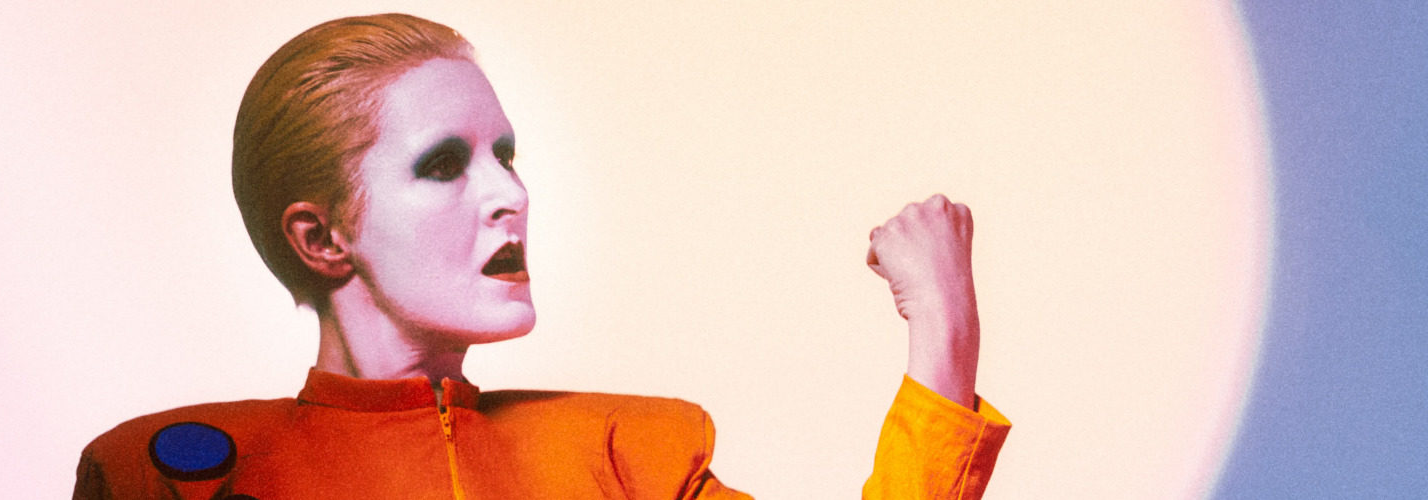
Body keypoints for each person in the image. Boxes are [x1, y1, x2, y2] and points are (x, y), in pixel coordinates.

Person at [74, 13, 1009, 500]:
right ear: (321, 237)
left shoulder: (630, 455)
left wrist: (943, 326)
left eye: (506, 155)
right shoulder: (161, 474)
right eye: (444, 164)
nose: (509, 194)